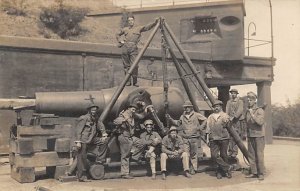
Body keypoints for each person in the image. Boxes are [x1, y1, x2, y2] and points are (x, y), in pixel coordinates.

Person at [116, 15, 159, 87]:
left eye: (132, 20)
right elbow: (117, 34)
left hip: (133, 48)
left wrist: (155, 23)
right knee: (126, 66)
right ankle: (128, 82)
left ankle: (135, 82)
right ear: (128, 22)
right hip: (125, 48)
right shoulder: (125, 29)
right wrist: (121, 41)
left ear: (134, 21)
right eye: (129, 21)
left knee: (135, 65)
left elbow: (147, 27)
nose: (130, 22)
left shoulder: (138, 28)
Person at [166, 100, 207, 174]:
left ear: (191, 107)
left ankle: (194, 168)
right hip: (185, 138)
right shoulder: (182, 116)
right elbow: (178, 123)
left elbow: (205, 120)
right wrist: (171, 119)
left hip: (194, 138)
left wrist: (200, 127)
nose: (186, 108)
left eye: (188, 107)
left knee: (194, 154)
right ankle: (187, 168)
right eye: (185, 107)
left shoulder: (196, 115)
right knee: (186, 153)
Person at [74, 104, 108, 182]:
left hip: (92, 139)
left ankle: (100, 159)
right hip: (84, 140)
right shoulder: (84, 118)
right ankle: (81, 176)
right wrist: (78, 142)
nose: (94, 112)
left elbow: (100, 125)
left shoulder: (95, 118)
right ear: (89, 110)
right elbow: (78, 130)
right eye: (92, 110)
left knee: (104, 141)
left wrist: (104, 134)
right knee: (82, 158)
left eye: (95, 110)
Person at [113, 102, 147, 179]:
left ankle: (134, 157)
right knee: (125, 155)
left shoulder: (132, 115)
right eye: (132, 109)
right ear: (128, 108)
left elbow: (141, 116)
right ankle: (125, 173)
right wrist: (123, 120)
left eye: (135, 109)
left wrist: (145, 109)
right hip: (124, 136)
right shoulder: (124, 115)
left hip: (131, 137)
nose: (134, 110)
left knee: (142, 143)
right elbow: (115, 121)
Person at [206, 100, 233, 179]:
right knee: (214, 156)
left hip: (224, 138)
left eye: (217, 106)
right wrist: (207, 139)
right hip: (213, 138)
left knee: (224, 155)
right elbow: (208, 128)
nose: (216, 108)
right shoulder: (210, 117)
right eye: (214, 107)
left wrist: (228, 121)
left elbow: (229, 125)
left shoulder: (225, 115)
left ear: (221, 107)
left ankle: (224, 172)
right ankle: (227, 167)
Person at [245, 91, 265, 181]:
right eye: (248, 100)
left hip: (259, 136)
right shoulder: (248, 111)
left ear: (254, 101)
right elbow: (247, 124)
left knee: (259, 155)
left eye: (250, 100)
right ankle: (254, 172)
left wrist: (252, 114)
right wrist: (246, 134)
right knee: (251, 155)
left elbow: (260, 122)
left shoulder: (260, 110)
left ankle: (261, 173)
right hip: (250, 135)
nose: (249, 101)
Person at [226, 89, 244, 159]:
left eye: (234, 93)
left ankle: (235, 152)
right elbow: (227, 110)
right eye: (232, 93)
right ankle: (230, 151)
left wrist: (234, 117)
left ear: (237, 94)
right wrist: (227, 117)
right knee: (230, 136)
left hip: (237, 121)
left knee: (236, 136)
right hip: (230, 121)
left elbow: (240, 110)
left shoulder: (240, 102)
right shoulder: (229, 102)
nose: (233, 94)